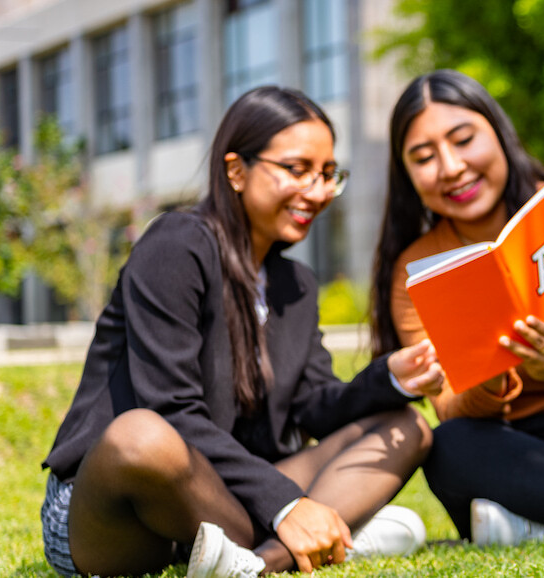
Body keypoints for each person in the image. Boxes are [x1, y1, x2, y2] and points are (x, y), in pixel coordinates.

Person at [40, 86, 444, 578]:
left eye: (327, 174)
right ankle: (329, 534)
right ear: (236, 170)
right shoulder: (176, 245)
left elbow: (315, 405)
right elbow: (169, 408)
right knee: (140, 435)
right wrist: (287, 505)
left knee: (406, 426)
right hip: (124, 508)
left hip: (227, 496)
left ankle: (262, 563)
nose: (317, 192)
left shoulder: (295, 284)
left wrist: (390, 379)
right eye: (297, 170)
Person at [371, 69, 544, 545]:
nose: (452, 166)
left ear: (499, 134)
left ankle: (541, 523)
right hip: (511, 444)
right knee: (450, 448)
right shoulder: (414, 270)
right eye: (424, 157)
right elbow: (451, 407)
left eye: (463, 140)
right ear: (407, 175)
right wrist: (492, 367)